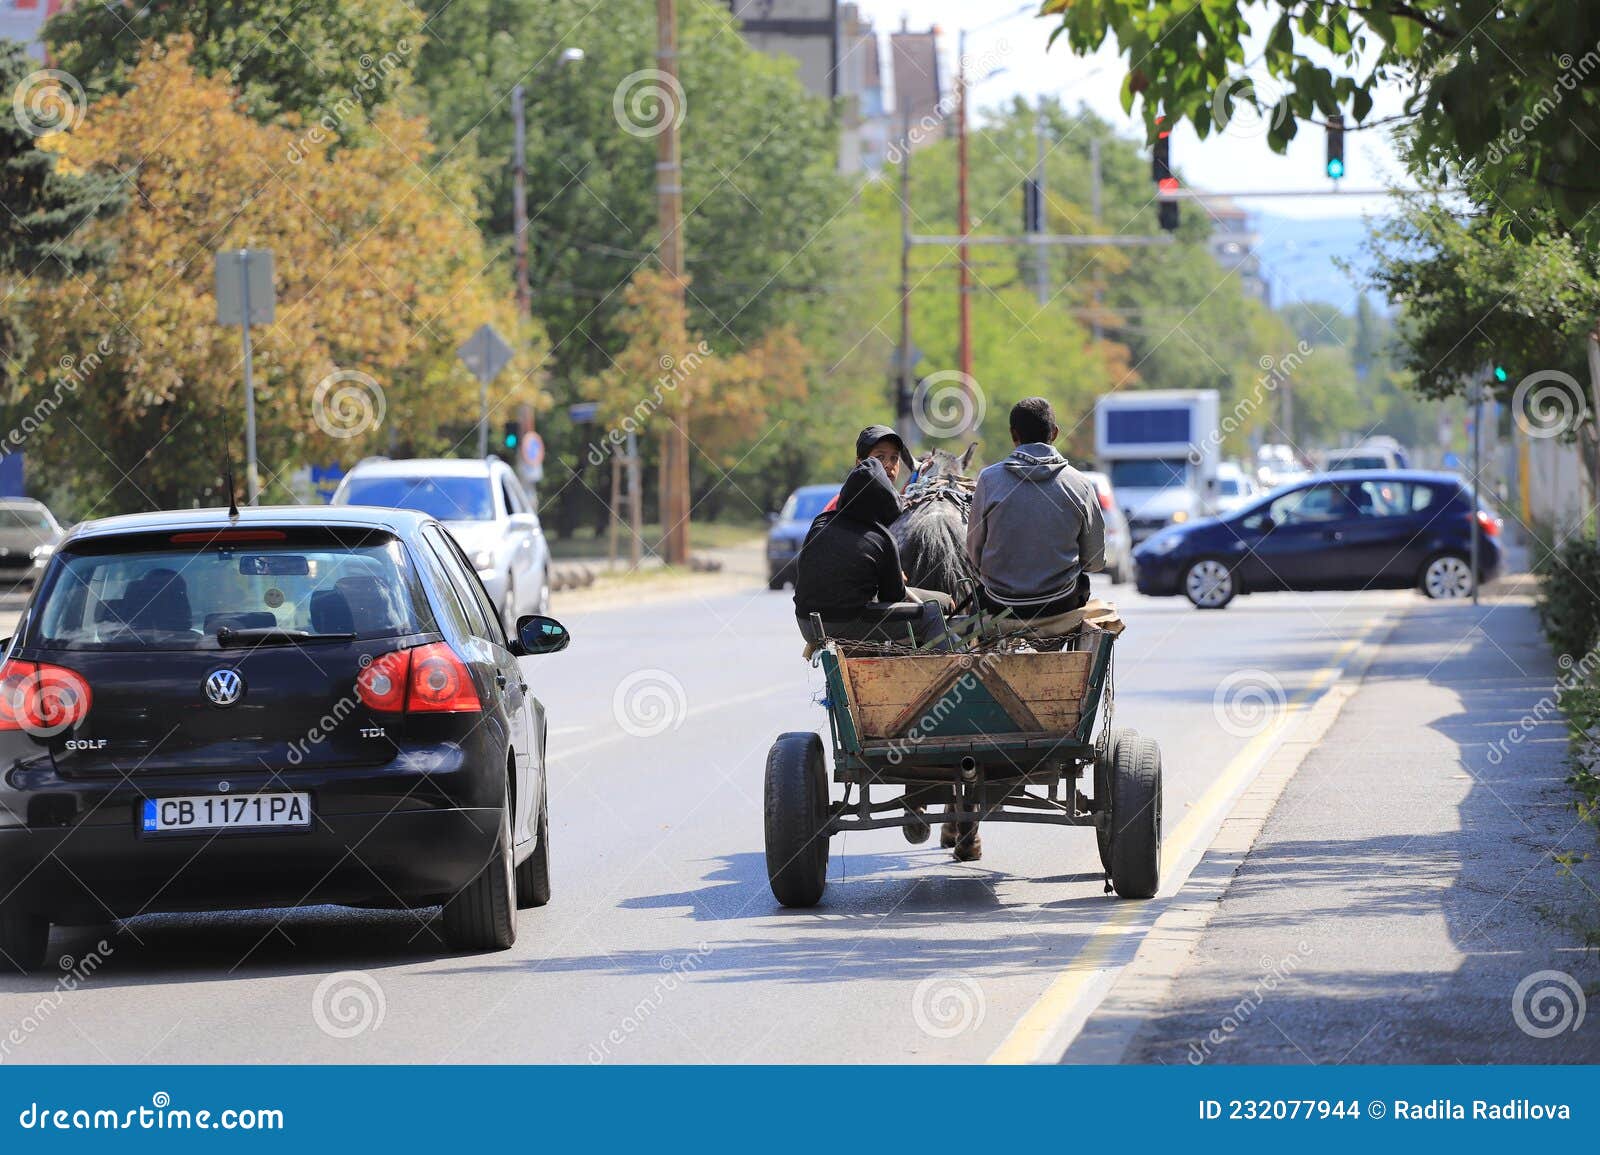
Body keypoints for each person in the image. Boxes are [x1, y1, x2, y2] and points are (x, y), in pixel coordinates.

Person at [966, 396, 1105, 620]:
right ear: (1055, 433)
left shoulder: (988, 480)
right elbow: (1095, 562)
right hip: (1061, 602)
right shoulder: (1080, 484)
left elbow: (974, 553)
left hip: (1000, 605)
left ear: (1013, 435)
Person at [793, 457, 950, 645]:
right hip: (844, 624)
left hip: (807, 624)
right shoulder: (881, 539)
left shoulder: (821, 522)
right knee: (934, 612)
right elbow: (893, 597)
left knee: (935, 602)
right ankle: (954, 671)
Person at [818, 425, 915, 514]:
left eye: (894, 458)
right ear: (859, 463)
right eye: (880, 457)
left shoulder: (903, 508)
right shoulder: (841, 506)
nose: (889, 464)